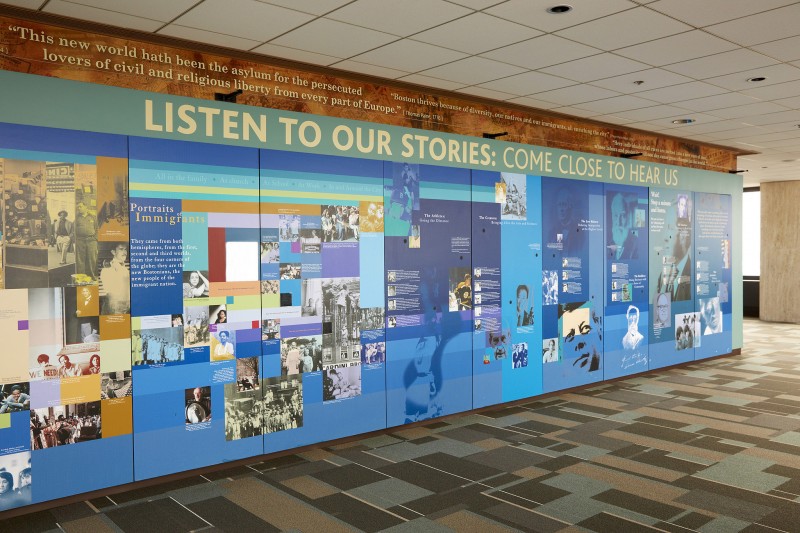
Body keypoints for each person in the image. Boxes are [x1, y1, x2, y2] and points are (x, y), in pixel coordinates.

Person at [100, 243, 130, 314]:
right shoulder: (107, 269)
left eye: (125, 249)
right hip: (115, 308)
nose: (124, 252)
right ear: (113, 252)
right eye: (121, 249)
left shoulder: (125, 269)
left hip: (126, 307)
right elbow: (110, 291)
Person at [608, 192, 639, 260]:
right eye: (615, 215)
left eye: (622, 215)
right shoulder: (609, 244)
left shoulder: (637, 244)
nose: (619, 222)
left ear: (628, 217)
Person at [74, 202, 98, 279]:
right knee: (80, 260)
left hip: (92, 241)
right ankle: (81, 277)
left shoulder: (93, 217)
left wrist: (95, 238)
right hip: (80, 241)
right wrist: (76, 240)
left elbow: (97, 229)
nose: (79, 208)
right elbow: (73, 230)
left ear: (85, 207)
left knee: (92, 259)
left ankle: (91, 276)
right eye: (78, 207)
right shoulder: (77, 218)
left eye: (80, 206)